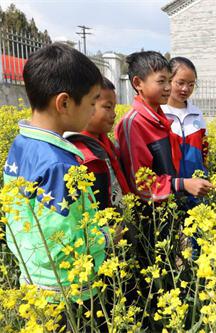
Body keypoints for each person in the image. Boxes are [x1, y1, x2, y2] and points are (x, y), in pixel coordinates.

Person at [2, 43, 114, 325]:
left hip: (33, 278)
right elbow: (65, 242)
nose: (93, 111)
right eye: (91, 102)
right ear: (64, 103)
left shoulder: (22, 144)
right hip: (68, 292)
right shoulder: (60, 165)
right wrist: (108, 236)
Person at [115, 51, 213, 203]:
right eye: (161, 82)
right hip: (152, 215)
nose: (168, 87)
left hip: (173, 203)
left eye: (169, 81)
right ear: (138, 83)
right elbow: (141, 184)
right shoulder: (134, 124)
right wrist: (182, 185)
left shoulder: (160, 120)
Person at [66, 77, 130, 211]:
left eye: (114, 108)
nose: (113, 114)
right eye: (108, 107)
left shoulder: (103, 142)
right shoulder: (81, 153)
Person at [161, 56, 209, 209]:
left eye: (191, 84)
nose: (185, 89)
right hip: (170, 190)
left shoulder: (197, 114)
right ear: (169, 80)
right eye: (180, 83)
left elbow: (204, 152)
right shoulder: (159, 113)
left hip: (196, 190)